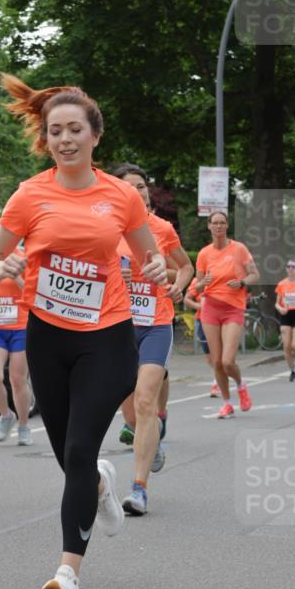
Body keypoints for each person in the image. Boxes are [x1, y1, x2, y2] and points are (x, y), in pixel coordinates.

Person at [0, 75, 167, 589]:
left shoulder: (121, 196)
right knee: (71, 458)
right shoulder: (29, 195)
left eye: (74, 130)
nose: (64, 139)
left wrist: (155, 268)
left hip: (107, 337)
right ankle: (101, 488)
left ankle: (68, 573)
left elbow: (148, 257)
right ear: (47, 139)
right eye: (55, 131)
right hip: (47, 335)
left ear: (94, 135)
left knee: (81, 449)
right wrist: (2, 266)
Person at [112, 163, 193, 516]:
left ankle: (139, 489)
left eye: (142, 187)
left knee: (146, 402)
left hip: (155, 324)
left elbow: (186, 266)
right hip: (117, 326)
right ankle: (152, 440)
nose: (138, 193)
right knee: (129, 408)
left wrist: (176, 283)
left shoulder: (161, 229)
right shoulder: (105, 230)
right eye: (130, 188)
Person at [194, 211, 259, 419]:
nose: (219, 226)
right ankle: (227, 403)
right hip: (210, 309)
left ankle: (241, 386)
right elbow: (197, 286)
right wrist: (202, 284)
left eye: (222, 223)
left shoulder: (239, 249)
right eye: (215, 223)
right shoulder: (204, 254)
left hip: (233, 308)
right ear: (209, 226)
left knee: (228, 361)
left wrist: (241, 283)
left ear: (227, 226)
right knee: (217, 362)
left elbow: (254, 274)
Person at [0, 244, 33, 445]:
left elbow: (31, 289)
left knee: (18, 379)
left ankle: (23, 425)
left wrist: (14, 275)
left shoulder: (25, 257)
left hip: (20, 326)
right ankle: (5, 415)